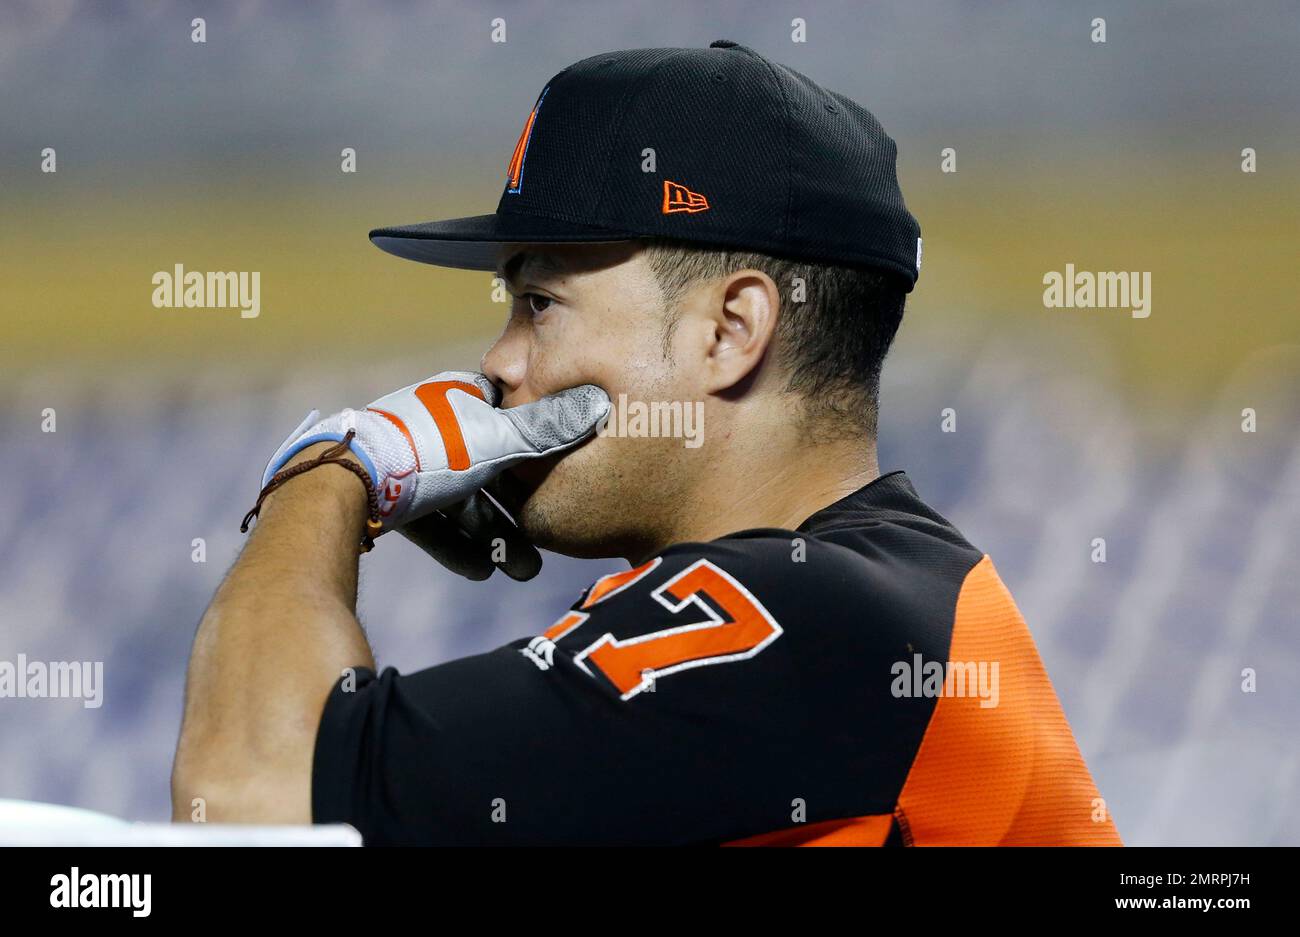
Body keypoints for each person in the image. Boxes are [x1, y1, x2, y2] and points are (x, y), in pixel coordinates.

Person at [172, 40, 1122, 846]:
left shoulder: (809, 613)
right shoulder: (879, 591)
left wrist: (339, 467)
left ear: (729, 330)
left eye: (539, 302)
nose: (498, 362)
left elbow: (254, 797)